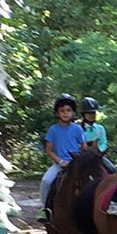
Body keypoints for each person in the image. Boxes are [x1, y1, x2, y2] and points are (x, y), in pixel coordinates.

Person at [38, 94, 86, 223]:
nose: (65, 113)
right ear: (57, 113)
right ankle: (45, 210)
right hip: (60, 164)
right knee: (46, 181)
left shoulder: (77, 129)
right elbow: (48, 150)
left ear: (73, 113)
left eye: (68, 110)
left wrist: (80, 160)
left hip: (75, 163)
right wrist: (60, 161)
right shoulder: (53, 130)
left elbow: (84, 148)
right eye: (62, 111)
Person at [79, 96, 117, 173]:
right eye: (89, 113)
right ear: (83, 114)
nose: (91, 115)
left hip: (98, 156)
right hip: (82, 157)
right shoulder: (78, 129)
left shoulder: (100, 128)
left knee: (113, 170)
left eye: (93, 113)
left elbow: (104, 142)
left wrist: (99, 151)